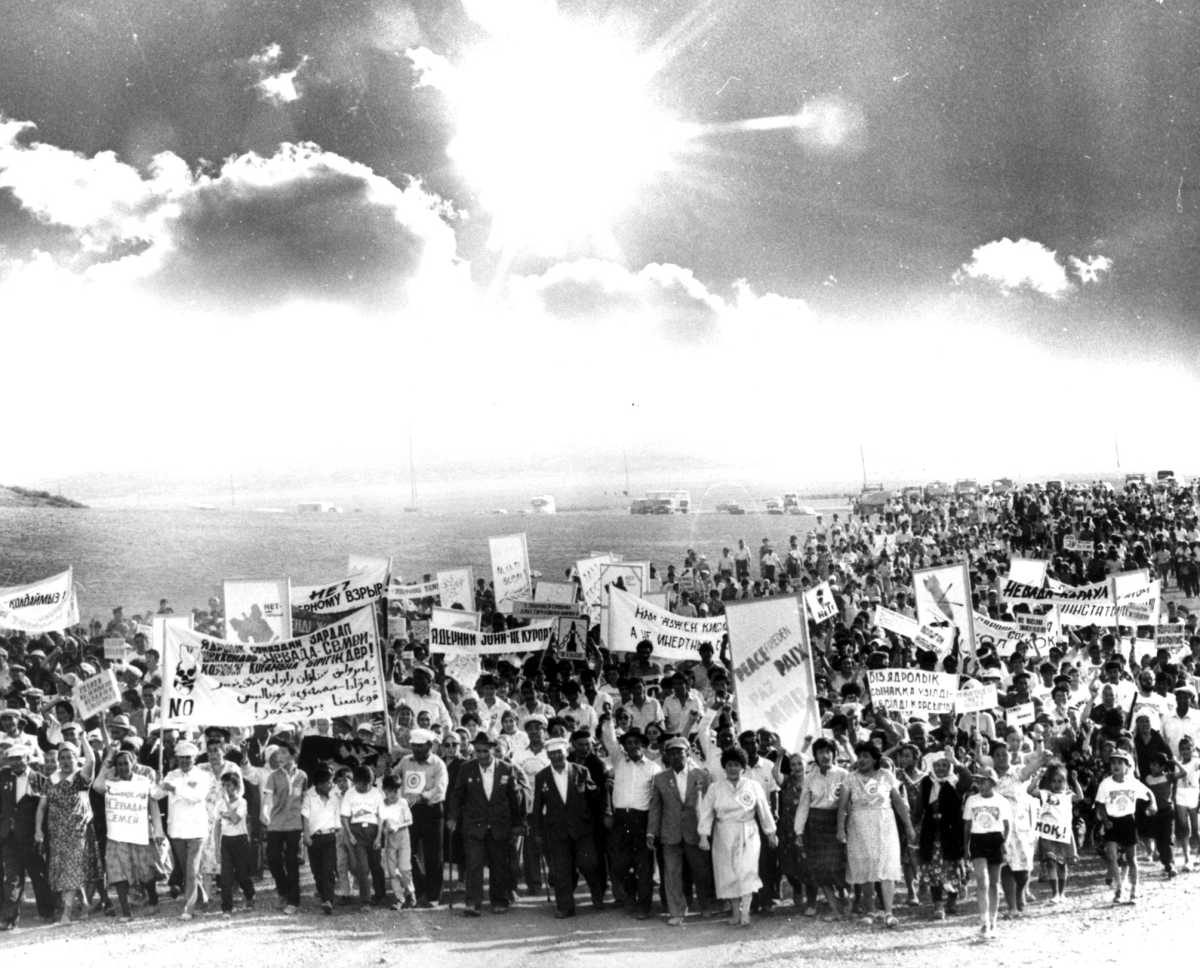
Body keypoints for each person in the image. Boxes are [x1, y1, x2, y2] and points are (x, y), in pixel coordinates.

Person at [836, 741, 916, 929]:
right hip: (859, 826)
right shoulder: (850, 778)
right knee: (865, 866)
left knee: (886, 865)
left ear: (874, 759)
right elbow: (842, 808)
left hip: (884, 824)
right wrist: (840, 829)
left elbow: (898, 803)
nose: (862, 760)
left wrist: (909, 826)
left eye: (866, 756)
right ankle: (869, 911)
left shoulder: (886, 775)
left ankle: (889, 912)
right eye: (860, 756)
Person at [447, 732, 526, 917]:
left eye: (485, 751)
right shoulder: (467, 768)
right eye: (478, 751)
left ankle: (499, 900)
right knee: (474, 864)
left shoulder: (506, 769)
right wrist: (452, 817)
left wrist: (517, 823)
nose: (481, 755)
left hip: (499, 824)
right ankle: (473, 903)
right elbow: (457, 795)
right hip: (474, 824)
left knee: (499, 864)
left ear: (492, 749)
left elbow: (514, 798)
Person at [697, 746, 777, 927]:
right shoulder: (715, 788)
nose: (733, 768)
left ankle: (746, 912)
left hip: (748, 831)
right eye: (729, 765)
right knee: (728, 873)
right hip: (724, 833)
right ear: (724, 767)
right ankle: (735, 912)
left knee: (746, 871)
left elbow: (764, 810)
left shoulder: (753, 786)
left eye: (737, 765)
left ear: (743, 767)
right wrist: (703, 836)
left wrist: (770, 832)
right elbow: (706, 813)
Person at [530, 737, 603, 918]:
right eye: (552, 754)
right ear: (548, 755)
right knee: (561, 869)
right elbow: (537, 807)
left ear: (566, 753)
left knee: (589, 864)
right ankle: (565, 906)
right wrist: (537, 832)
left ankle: (597, 893)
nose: (556, 757)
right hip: (556, 830)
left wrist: (595, 791)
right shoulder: (542, 776)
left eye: (559, 753)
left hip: (582, 828)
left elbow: (594, 797)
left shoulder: (581, 771)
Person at [647, 736, 715, 925]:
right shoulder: (660, 778)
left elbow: (709, 807)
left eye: (680, 752)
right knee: (672, 873)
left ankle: (705, 906)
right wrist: (651, 832)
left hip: (696, 832)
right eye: (672, 753)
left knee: (701, 871)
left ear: (687, 753)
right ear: (667, 756)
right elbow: (655, 807)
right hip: (670, 833)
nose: (677, 756)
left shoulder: (702, 776)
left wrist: (708, 832)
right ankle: (676, 911)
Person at [600, 716, 661, 918]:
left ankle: (644, 906)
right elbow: (609, 740)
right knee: (620, 864)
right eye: (628, 743)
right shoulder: (619, 762)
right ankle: (630, 898)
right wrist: (609, 719)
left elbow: (655, 800)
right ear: (624, 746)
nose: (632, 746)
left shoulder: (653, 768)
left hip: (641, 819)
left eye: (637, 743)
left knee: (643, 866)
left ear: (644, 746)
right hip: (620, 819)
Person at [92, 748, 162, 922]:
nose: (123, 767)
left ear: (133, 764)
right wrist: (108, 759)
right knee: (117, 871)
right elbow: (96, 785)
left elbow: (153, 805)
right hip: (116, 835)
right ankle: (125, 911)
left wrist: (158, 830)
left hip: (139, 834)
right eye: (119, 764)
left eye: (126, 763)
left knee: (145, 870)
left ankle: (153, 899)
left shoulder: (143, 781)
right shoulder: (111, 783)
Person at [36, 737, 99, 923]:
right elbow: (41, 807)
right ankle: (85, 903)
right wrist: (38, 830)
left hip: (76, 833)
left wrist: (83, 738)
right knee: (65, 871)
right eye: (61, 757)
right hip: (56, 834)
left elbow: (92, 760)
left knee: (71, 870)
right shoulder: (51, 780)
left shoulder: (81, 778)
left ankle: (67, 913)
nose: (64, 761)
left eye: (69, 757)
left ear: (75, 758)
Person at [0, 740, 54, 929]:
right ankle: (9, 919)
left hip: (32, 837)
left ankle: (47, 912)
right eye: (11, 759)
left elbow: (45, 810)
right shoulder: (3, 777)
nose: (14, 763)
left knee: (38, 876)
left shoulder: (40, 780)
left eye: (18, 759)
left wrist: (42, 834)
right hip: (8, 837)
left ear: (28, 759)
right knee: (12, 878)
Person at [913, 749, 972, 920]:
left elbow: (968, 779)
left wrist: (955, 761)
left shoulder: (955, 783)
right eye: (937, 765)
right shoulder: (926, 782)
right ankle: (938, 905)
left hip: (952, 833)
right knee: (934, 871)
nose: (940, 769)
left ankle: (951, 902)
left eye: (944, 765)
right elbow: (918, 807)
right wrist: (913, 826)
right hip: (931, 833)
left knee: (953, 868)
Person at [794, 738, 848, 920]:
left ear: (834, 753)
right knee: (821, 868)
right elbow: (803, 806)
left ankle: (846, 901)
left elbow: (848, 803)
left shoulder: (843, 774)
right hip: (815, 825)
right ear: (815, 755)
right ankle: (834, 909)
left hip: (837, 823)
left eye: (828, 751)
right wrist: (799, 832)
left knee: (838, 866)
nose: (825, 756)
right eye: (820, 752)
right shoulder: (810, 777)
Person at [161, 739, 213, 920]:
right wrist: (159, 783)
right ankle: (202, 896)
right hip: (176, 829)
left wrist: (175, 788)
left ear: (195, 758)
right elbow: (157, 793)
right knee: (186, 869)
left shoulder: (203, 776)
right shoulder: (171, 774)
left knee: (191, 870)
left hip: (196, 829)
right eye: (181, 758)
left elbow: (196, 797)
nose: (184, 761)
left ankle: (188, 909)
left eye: (188, 758)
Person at [1096, 749, 1155, 905]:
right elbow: (1100, 804)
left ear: (1127, 766)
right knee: (1112, 857)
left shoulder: (1133, 783)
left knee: (1131, 858)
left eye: (1120, 763)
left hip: (1128, 822)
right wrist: (1105, 819)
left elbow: (1149, 793)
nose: (1115, 766)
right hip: (1112, 822)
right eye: (1113, 762)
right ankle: (1119, 889)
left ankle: (1134, 889)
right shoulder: (1106, 784)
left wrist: (1153, 805)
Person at [398, 728, 449, 907]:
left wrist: (425, 795)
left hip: (431, 810)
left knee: (433, 854)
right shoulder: (405, 761)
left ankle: (433, 895)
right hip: (409, 811)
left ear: (429, 745)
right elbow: (393, 778)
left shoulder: (438, 764)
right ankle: (418, 888)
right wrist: (388, 769)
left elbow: (440, 788)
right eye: (414, 746)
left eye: (421, 746)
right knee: (407, 851)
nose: (417, 750)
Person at [963, 766, 1012, 941]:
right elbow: (967, 826)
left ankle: (993, 921)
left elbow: (1007, 826)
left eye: (983, 781)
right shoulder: (972, 800)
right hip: (978, 840)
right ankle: (984, 922)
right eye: (978, 781)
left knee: (994, 883)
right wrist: (965, 847)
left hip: (996, 840)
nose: (980, 785)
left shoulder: (1001, 801)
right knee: (982, 880)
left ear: (992, 783)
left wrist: (1005, 843)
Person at [1026, 763, 1082, 904]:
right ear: (1050, 782)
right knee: (1051, 863)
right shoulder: (1046, 794)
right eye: (1054, 781)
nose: (1057, 784)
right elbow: (1030, 790)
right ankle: (1055, 893)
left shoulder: (1068, 795)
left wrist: (1075, 781)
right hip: (1048, 834)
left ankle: (1062, 893)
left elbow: (1080, 797)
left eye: (1061, 781)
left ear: (1065, 782)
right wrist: (1038, 776)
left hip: (1062, 834)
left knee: (1062, 864)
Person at [264, 740, 306, 914]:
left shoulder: (303, 775)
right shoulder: (273, 776)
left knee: (292, 861)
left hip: (294, 824)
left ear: (292, 754)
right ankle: (283, 890)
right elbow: (267, 798)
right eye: (278, 753)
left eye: (282, 752)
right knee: (273, 859)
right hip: (275, 823)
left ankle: (293, 901)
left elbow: (304, 799)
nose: (278, 756)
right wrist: (264, 813)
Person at [340, 765, 386, 907]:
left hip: (373, 830)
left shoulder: (377, 793)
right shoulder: (350, 794)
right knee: (362, 867)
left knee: (376, 865)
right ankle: (365, 900)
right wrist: (350, 834)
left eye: (367, 784)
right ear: (355, 782)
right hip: (356, 831)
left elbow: (381, 817)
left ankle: (380, 895)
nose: (364, 787)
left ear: (370, 781)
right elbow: (345, 816)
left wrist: (379, 837)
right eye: (361, 784)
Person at [300, 766, 342, 914]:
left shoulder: (334, 798)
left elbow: (337, 817)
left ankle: (328, 900)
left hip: (330, 837)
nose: (330, 785)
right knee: (317, 870)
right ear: (318, 784)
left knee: (328, 869)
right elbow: (305, 817)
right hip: (314, 838)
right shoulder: (309, 798)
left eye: (331, 782)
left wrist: (337, 831)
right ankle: (324, 896)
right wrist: (306, 835)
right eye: (327, 783)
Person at [215, 772, 255, 917]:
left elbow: (236, 819)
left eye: (229, 785)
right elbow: (217, 825)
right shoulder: (219, 804)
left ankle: (250, 894)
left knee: (242, 874)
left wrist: (227, 804)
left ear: (236, 786)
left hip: (240, 840)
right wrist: (216, 847)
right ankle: (227, 907)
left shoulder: (242, 802)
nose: (226, 788)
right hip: (226, 840)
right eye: (224, 785)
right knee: (225, 876)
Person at [379, 774, 415, 910]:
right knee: (392, 871)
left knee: (405, 868)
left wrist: (397, 826)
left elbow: (410, 820)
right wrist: (383, 830)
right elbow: (381, 822)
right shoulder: (382, 804)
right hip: (390, 840)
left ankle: (411, 892)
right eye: (389, 792)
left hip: (403, 837)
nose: (393, 795)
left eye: (396, 791)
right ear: (384, 791)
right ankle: (399, 897)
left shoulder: (403, 802)